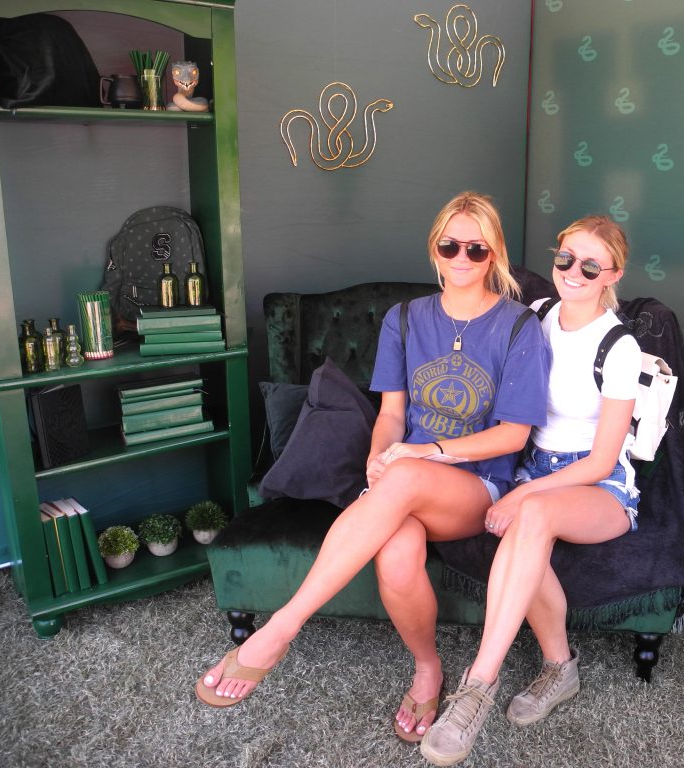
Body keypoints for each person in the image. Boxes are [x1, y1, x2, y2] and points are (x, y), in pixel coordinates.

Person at [195, 192, 551, 741]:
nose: (461, 257)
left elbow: (514, 433)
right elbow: (391, 415)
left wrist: (421, 456)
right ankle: (428, 669)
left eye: (476, 249)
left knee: (406, 475)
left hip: (476, 488)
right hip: (406, 481)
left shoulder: (518, 327)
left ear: (494, 253)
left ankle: (279, 629)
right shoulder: (404, 319)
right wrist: (376, 462)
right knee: (396, 551)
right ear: (434, 249)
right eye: (450, 245)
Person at [419, 215, 642, 766]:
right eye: (565, 258)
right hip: (533, 468)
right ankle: (560, 667)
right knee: (526, 518)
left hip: (599, 482)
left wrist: (521, 495)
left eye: (590, 265)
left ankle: (475, 689)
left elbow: (604, 457)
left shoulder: (620, 347)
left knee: (531, 513)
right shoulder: (534, 318)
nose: (573, 272)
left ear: (613, 272)